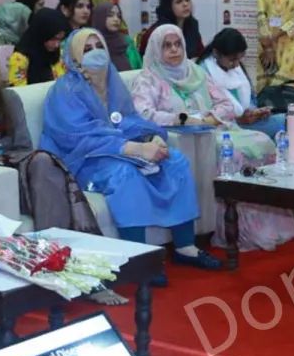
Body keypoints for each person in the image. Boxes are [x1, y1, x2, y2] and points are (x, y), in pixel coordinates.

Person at [0, 44, 122, 305]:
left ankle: (57, 267)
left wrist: (1, 158)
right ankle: (70, 274)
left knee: (43, 163)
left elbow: (24, 147)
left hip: (25, 173)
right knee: (46, 170)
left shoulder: (9, 99)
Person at [40, 28, 221, 280]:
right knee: (124, 174)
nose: (96, 53)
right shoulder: (65, 90)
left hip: (121, 150)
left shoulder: (112, 80)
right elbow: (78, 137)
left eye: (99, 46)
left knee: (175, 161)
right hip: (83, 160)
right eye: (87, 49)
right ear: (74, 57)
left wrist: (151, 137)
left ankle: (185, 247)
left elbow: (129, 119)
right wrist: (132, 148)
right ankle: (138, 258)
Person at [132, 26, 294, 251]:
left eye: (178, 44)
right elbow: (143, 114)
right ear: (155, 49)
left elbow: (226, 104)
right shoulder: (147, 79)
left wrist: (209, 118)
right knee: (234, 153)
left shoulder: (195, 72)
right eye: (167, 46)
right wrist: (180, 119)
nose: (174, 50)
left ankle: (273, 223)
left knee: (263, 141)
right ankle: (239, 229)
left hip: (213, 128)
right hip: (186, 135)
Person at [198, 28, 292, 140]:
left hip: (246, 122)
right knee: (287, 122)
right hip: (226, 127)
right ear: (216, 53)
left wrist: (255, 113)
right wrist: (238, 119)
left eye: (239, 59)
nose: (236, 64)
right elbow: (208, 114)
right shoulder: (203, 73)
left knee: (291, 120)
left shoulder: (236, 67)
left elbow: (250, 101)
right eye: (232, 60)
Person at [138, 0, 204, 58]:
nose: (185, 4)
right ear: (168, 6)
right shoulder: (156, 32)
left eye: (187, 0)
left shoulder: (192, 26)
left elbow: (201, 55)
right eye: (179, 1)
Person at [8, 8, 69, 86]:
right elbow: (18, 91)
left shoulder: (59, 54)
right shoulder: (19, 59)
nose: (57, 45)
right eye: (53, 39)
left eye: (60, 39)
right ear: (41, 34)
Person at [91, 2, 141, 71]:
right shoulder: (92, 44)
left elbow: (139, 68)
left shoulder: (126, 41)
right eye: (110, 15)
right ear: (100, 17)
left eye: (119, 16)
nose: (116, 19)